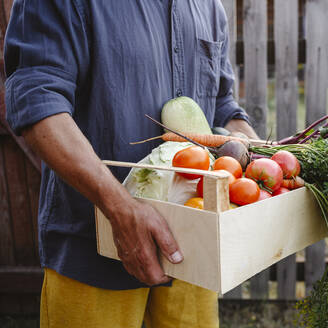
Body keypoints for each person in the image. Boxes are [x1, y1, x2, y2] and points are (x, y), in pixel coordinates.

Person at [4, 0, 258, 327]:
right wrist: (121, 209)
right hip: (94, 250)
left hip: (194, 256)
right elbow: (38, 103)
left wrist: (251, 145)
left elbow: (222, 104)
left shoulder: (209, 6)